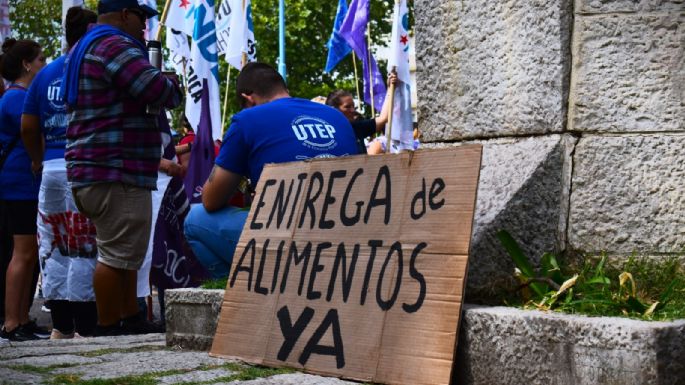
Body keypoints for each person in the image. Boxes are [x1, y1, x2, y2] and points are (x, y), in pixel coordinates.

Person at [63, 0, 182, 336]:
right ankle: (107, 326)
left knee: (125, 249)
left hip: (98, 169)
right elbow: (155, 88)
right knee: (116, 255)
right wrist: (171, 82)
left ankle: (131, 318)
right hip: (114, 168)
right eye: (142, 18)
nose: (144, 27)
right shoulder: (114, 45)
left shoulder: (86, 45)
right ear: (125, 15)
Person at [183, 62, 359, 279]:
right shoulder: (338, 118)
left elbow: (211, 200)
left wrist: (243, 172)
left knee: (195, 218)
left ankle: (237, 296)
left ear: (248, 99)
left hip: (290, 244)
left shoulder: (247, 120)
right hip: (349, 240)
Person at [22, 7, 99, 339]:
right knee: (83, 245)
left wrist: (39, 159)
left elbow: (28, 126)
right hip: (83, 165)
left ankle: (61, 325)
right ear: (91, 30)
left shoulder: (46, 73)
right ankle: (85, 325)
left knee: (53, 246)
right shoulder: (91, 69)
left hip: (52, 167)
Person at [0, 38, 49, 342]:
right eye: (41, 59)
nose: (44, 64)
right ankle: (11, 322)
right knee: (22, 253)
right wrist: (36, 159)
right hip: (19, 184)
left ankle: (21, 317)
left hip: (22, 184)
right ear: (26, 64)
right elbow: (31, 131)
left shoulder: (15, 96)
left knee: (28, 254)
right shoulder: (17, 98)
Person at [326, 72, 397, 154]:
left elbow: (383, 118)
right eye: (347, 107)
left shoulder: (356, 127)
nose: (353, 111)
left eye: (353, 106)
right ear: (334, 110)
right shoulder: (323, 133)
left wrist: (390, 88)